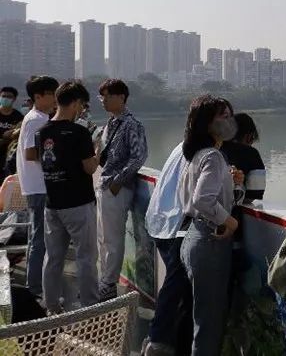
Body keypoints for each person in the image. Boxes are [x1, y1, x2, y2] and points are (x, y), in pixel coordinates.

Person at [177, 96, 244, 356]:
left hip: (195, 236)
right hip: (210, 241)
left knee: (203, 318)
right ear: (206, 123)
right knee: (209, 324)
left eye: (229, 115)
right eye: (222, 116)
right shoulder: (213, 157)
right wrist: (230, 221)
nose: (229, 121)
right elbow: (203, 200)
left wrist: (236, 184)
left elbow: (212, 198)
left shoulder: (198, 155)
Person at [36, 82, 99, 313]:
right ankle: (90, 307)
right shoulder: (80, 133)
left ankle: (51, 307)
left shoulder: (41, 132)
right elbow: (90, 168)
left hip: (52, 204)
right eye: (82, 105)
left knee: (53, 258)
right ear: (75, 103)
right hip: (79, 203)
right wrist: (98, 149)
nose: (82, 110)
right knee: (86, 258)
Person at [96, 79, 148, 301]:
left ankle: (108, 284)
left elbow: (139, 156)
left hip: (116, 188)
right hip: (105, 184)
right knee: (103, 238)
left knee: (113, 239)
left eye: (107, 96)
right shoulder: (111, 123)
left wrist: (117, 181)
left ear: (121, 97)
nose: (103, 101)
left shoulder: (131, 124)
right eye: (102, 97)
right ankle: (103, 280)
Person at [143, 141, 193, 356]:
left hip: (159, 221)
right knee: (176, 287)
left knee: (176, 287)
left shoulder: (183, 146)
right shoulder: (204, 153)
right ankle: (158, 340)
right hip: (173, 225)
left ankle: (161, 340)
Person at [16, 75, 58, 299]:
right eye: (51, 94)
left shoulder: (37, 117)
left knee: (37, 237)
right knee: (41, 239)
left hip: (36, 187)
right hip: (40, 187)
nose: (55, 98)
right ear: (38, 96)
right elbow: (31, 153)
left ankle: (35, 286)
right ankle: (35, 288)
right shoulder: (36, 120)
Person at [222, 113, 266, 203]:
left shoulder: (216, 149)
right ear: (248, 136)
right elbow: (255, 194)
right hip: (233, 209)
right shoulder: (251, 153)